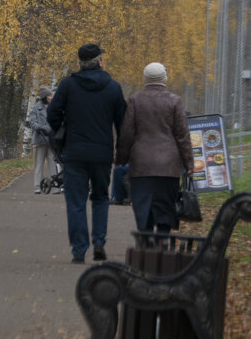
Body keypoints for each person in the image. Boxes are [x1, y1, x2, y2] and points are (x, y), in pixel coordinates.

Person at [47, 43, 127, 264]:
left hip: (75, 152)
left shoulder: (68, 86)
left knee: (76, 201)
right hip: (102, 154)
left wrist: (61, 131)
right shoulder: (113, 88)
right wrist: (121, 151)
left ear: (81, 63)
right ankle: (99, 242)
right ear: (99, 62)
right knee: (101, 198)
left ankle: (79, 250)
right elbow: (123, 123)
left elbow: (52, 114)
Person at [116, 62, 192, 237]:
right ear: (164, 78)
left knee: (143, 208)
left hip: (141, 165)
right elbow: (182, 135)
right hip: (168, 166)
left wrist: (121, 158)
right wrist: (189, 163)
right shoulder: (175, 100)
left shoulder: (135, 100)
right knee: (165, 208)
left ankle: (146, 240)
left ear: (145, 78)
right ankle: (162, 241)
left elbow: (127, 133)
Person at [27, 86, 54, 193]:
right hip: (40, 140)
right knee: (39, 164)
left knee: (53, 163)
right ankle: (37, 187)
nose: (51, 97)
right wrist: (42, 128)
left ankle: (55, 187)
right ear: (44, 97)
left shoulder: (53, 107)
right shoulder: (36, 108)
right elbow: (32, 122)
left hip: (51, 140)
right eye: (49, 96)